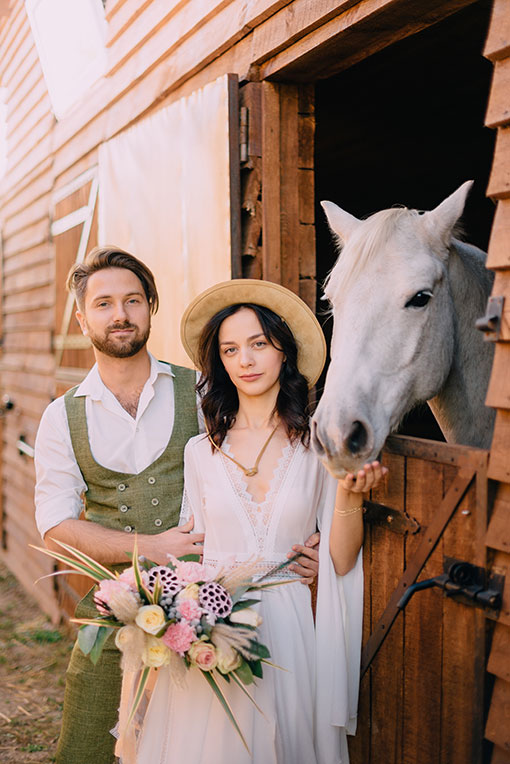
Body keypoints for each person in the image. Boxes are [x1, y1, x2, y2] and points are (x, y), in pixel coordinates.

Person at [34, 252, 320, 764]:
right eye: (103, 304)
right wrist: (148, 547)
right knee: (86, 747)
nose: (119, 314)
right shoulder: (61, 417)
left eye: (132, 300)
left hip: (218, 612)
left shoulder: (206, 388)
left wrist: (308, 536)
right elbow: (55, 526)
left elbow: (274, 448)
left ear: (151, 307)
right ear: (82, 318)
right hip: (119, 611)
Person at [123, 279, 387, 764]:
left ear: (283, 351)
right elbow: (193, 555)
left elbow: (341, 558)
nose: (245, 360)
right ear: (219, 362)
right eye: (230, 349)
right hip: (216, 629)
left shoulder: (316, 447)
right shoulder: (200, 452)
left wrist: (350, 492)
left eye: (258, 344)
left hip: (289, 627)